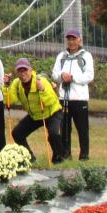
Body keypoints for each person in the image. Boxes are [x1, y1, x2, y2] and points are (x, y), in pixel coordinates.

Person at [8, 57, 64, 163]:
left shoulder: (41, 81)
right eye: (19, 71)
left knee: (53, 134)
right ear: (16, 73)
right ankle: (29, 158)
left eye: (25, 70)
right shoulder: (16, 83)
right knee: (17, 133)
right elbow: (10, 101)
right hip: (35, 115)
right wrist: (6, 86)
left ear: (30, 70)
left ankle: (58, 158)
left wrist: (42, 89)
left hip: (51, 112)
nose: (22, 73)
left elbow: (51, 101)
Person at [52, 29, 94, 160]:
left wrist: (73, 77)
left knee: (82, 129)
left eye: (74, 39)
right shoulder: (61, 56)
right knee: (64, 129)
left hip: (79, 99)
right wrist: (61, 76)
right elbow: (54, 75)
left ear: (79, 40)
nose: (71, 42)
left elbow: (89, 76)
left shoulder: (86, 56)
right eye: (69, 39)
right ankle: (66, 154)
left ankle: (84, 156)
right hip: (63, 98)